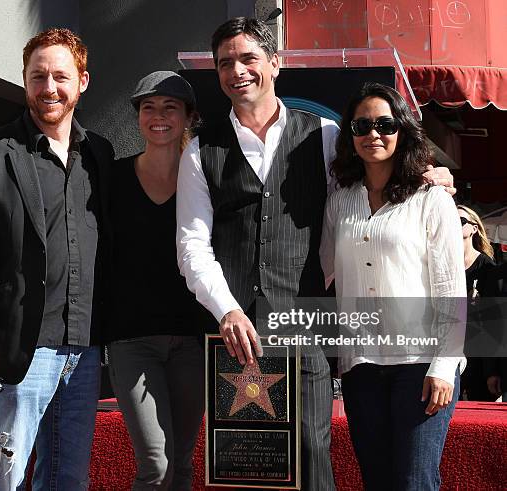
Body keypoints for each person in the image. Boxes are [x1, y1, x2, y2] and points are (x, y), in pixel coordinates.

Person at [176, 18, 455, 490]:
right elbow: (192, 246)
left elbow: (366, 193)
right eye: (226, 63)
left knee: (311, 460)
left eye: (248, 58)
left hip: (306, 331)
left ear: (275, 64)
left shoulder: (325, 136)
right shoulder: (200, 151)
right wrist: (227, 311)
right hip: (236, 336)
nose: (237, 70)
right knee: (248, 469)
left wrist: (427, 178)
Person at [0, 28, 114, 490]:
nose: (48, 88)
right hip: (20, 347)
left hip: (83, 350)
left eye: (60, 76)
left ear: (83, 80)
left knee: (68, 479)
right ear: (24, 81)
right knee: (4, 478)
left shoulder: (99, 153)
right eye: (37, 76)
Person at [320, 82, 466, 490]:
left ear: (401, 129)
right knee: (377, 481)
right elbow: (324, 271)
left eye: (385, 124)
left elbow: (450, 285)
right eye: (362, 125)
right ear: (349, 135)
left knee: (414, 481)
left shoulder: (430, 198)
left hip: (421, 364)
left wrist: (444, 366)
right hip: (360, 365)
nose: (373, 134)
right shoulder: (339, 201)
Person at [106, 71, 209, 490]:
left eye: (170, 108)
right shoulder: (110, 178)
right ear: (138, 117)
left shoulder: (204, 180)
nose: (159, 116)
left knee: (182, 462)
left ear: (188, 117)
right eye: (149, 107)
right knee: (157, 464)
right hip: (132, 339)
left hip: (193, 339)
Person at [457, 205, 498, 401]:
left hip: (477, 355)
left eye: (461, 221)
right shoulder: (442, 264)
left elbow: (494, 321)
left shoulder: (487, 268)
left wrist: (492, 370)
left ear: (474, 228)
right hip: (447, 349)